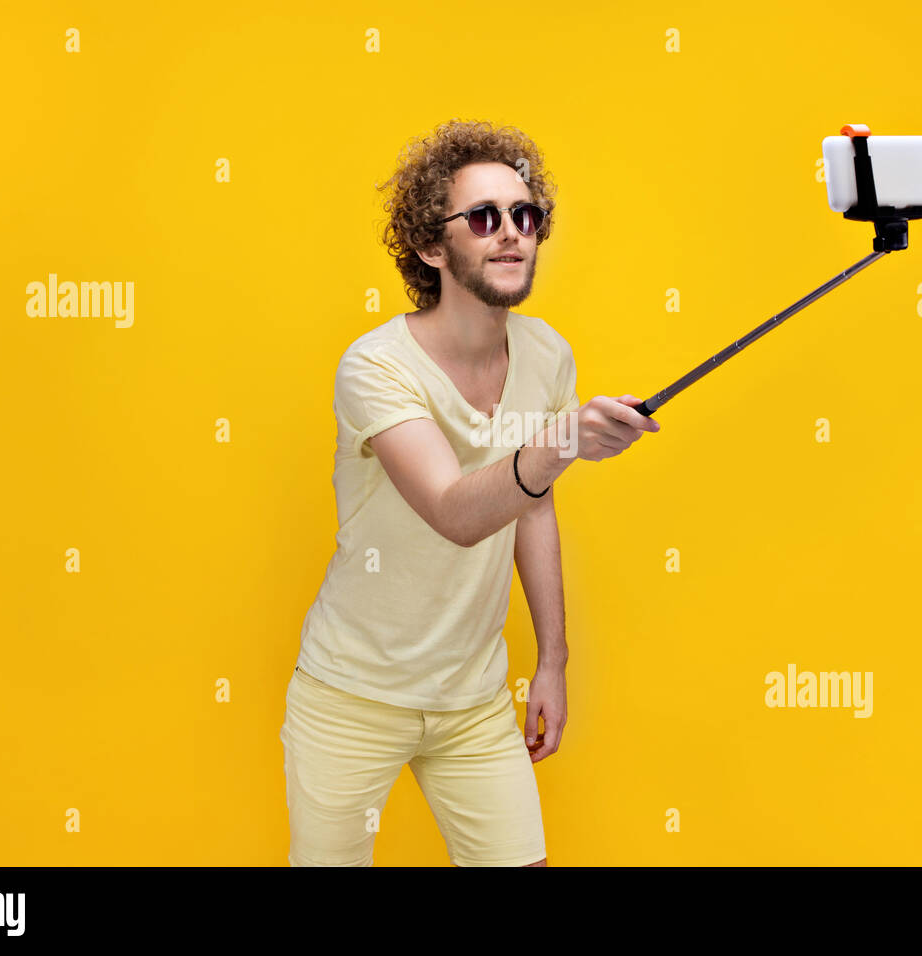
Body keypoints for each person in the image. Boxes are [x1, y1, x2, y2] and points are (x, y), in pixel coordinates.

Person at [279, 118, 660, 867]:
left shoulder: (548, 355)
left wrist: (552, 659)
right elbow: (455, 512)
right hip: (352, 694)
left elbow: (532, 503)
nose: (512, 234)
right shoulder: (375, 367)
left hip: (475, 700)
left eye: (527, 216)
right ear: (430, 245)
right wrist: (563, 441)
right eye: (484, 218)